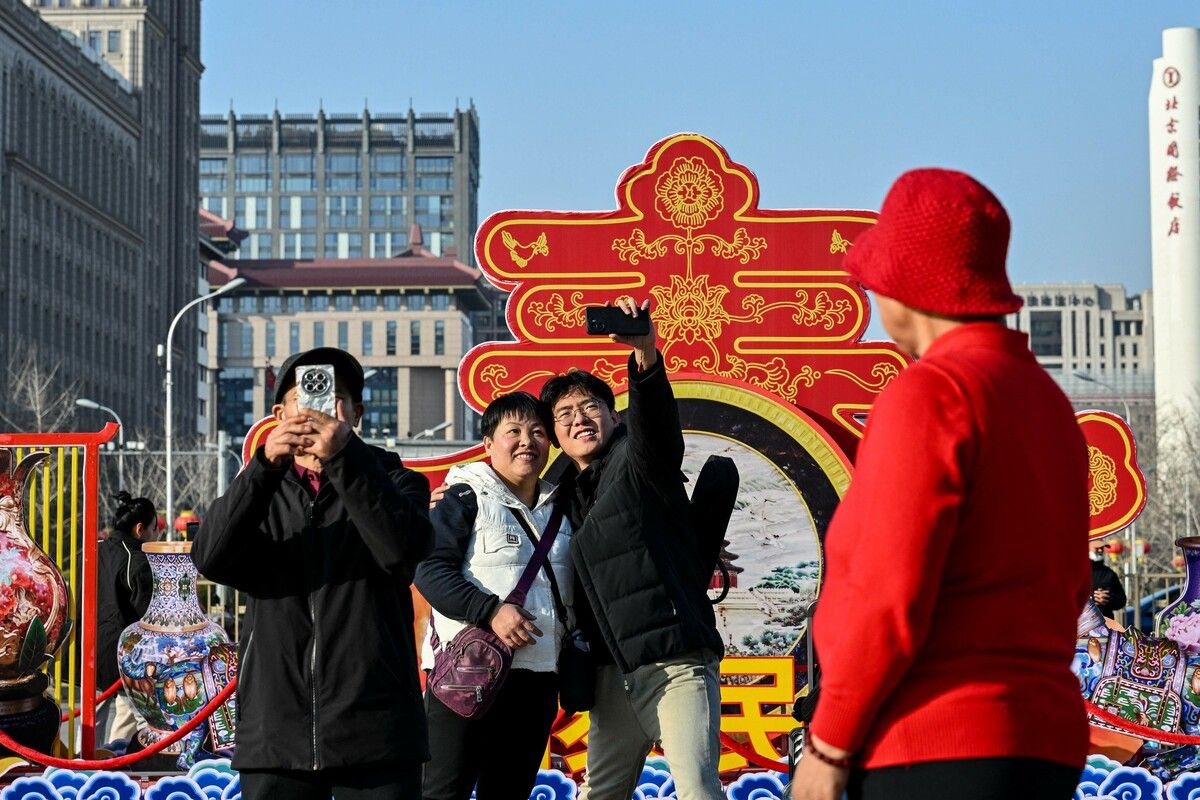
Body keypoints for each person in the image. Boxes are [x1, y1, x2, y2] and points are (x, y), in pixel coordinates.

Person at [791, 169, 1091, 800]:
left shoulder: (930, 393)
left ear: (906, 287)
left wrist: (829, 741)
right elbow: (1069, 584)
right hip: (1043, 739)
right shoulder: (1046, 401)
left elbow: (887, 592)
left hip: (930, 738)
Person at [193, 347, 434, 800]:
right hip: (275, 732)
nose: (316, 411)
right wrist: (263, 468)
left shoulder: (396, 482)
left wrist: (345, 458)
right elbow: (211, 559)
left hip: (377, 734)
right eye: (303, 400)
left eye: (333, 398)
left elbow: (401, 554)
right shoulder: (260, 491)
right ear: (279, 413)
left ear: (357, 413)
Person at [540, 297, 725, 800]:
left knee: (697, 790)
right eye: (564, 414)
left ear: (613, 416)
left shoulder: (638, 463)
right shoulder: (554, 499)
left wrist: (645, 359)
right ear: (554, 434)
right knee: (601, 794)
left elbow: (657, 431)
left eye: (590, 406)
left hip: (673, 662)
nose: (579, 418)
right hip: (609, 675)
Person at [415, 391, 573, 800]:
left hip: (537, 679)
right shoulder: (465, 497)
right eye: (514, 431)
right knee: (443, 791)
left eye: (537, 432)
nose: (527, 441)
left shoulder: (561, 509)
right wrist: (490, 611)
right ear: (488, 443)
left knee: (509, 791)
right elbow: (429, 570)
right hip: (467, 674)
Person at [95, 491, 158, 744]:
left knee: (92, 723)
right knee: (145, 717)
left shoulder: (91, 550)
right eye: (155, 529)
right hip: (123, 655)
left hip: (84, 652)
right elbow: (146, 614)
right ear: (140, 529)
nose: (157, 536)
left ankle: (84, 766)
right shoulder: (138, 560)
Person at [1091, 543, 1127, 618]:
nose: (1100, 550)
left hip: (1105, 622)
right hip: (1082, 622)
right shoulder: (1077, 571)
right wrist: (1092, 598)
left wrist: (1108, 598)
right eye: (1097, 548)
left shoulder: (1109, 573)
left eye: (1102, 548)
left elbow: (1122, 600)